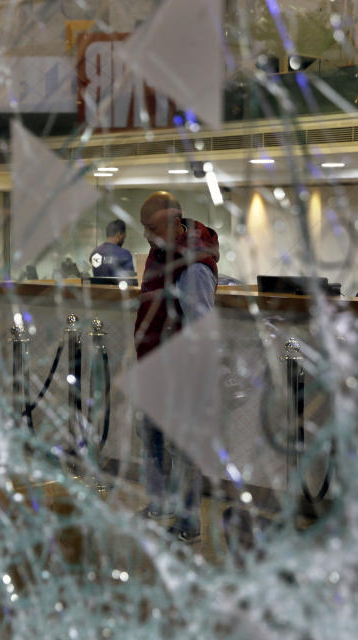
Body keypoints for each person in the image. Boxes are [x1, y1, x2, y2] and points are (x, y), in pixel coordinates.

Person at [134, 191, 219, 543]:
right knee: (151, 435)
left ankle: (188, 523)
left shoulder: (194, 263)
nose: (145, 234)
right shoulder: (164, 252)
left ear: (173, 222)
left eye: (150, 227)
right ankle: (161, 504)